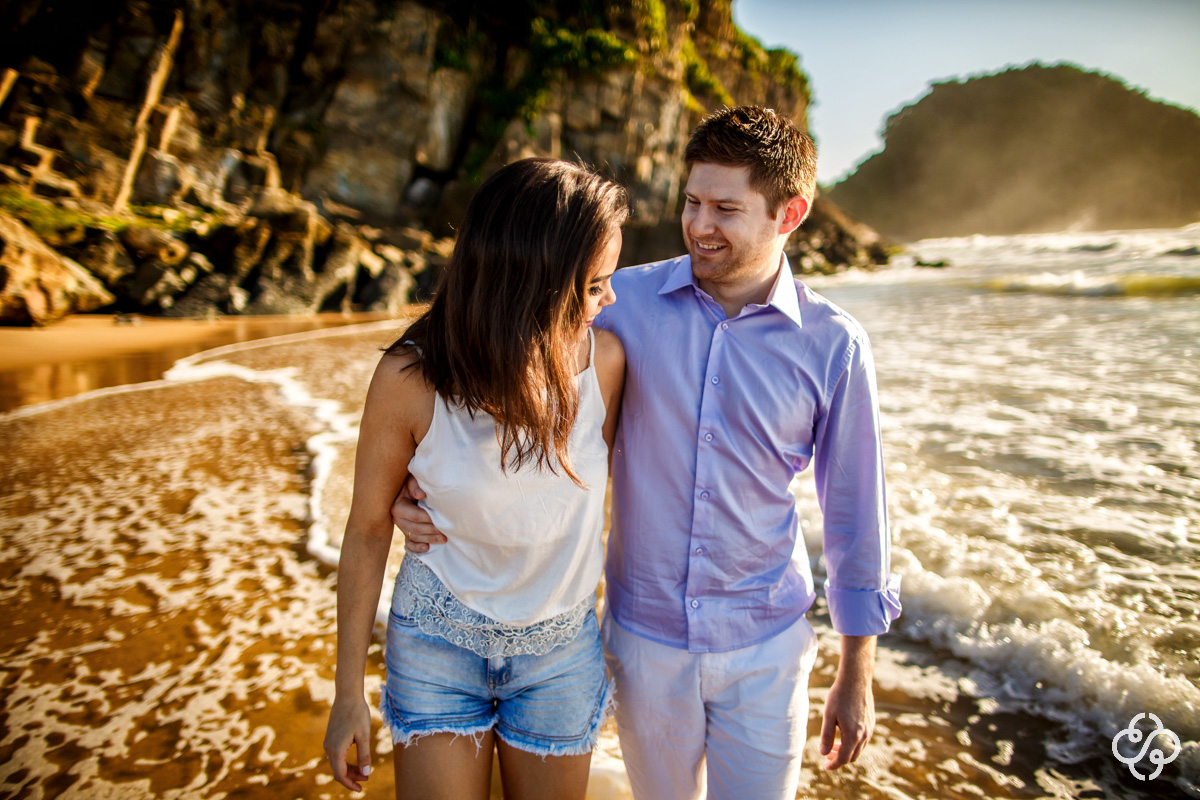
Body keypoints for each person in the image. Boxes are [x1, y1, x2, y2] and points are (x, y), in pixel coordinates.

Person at [396, 106, 901, 799]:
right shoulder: (618, 300)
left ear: (789, 214)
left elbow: (855, 512)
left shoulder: (834, 345)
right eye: (692, 201)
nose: (699, 224)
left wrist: (857, 672)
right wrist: (409, 479)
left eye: (726, 208)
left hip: (766, 645)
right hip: (643, 640)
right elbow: (481, 357)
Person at [324, 157, 629, 800]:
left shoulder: (605, 364)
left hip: (560, 654)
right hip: (437, 643)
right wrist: (347, 693)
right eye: (596, 284)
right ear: (536, 282)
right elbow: (367, 528)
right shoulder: (411, 380)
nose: (611, 300)